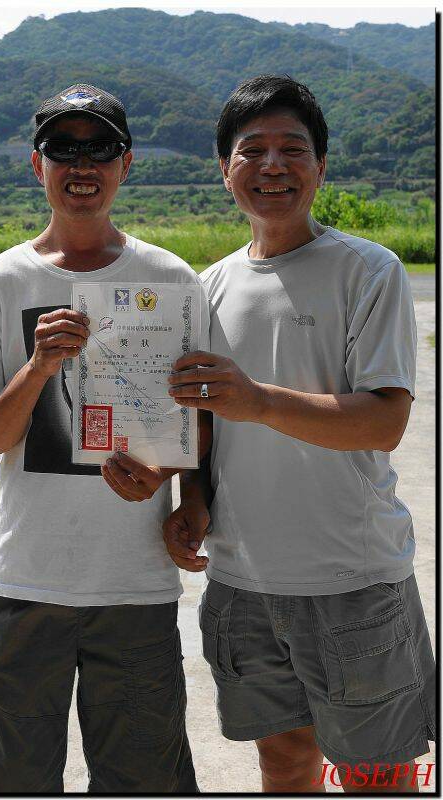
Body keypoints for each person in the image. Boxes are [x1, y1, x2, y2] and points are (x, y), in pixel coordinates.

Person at [162, 75, 435, 793]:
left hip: (353, 579)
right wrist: (193, 498)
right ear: (225, 169)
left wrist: (258, 400)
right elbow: (202, 420)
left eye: (293, 148)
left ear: (321, 165)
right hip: (242, 582)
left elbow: (384, 420)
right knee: (283, 762)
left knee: (377, 775)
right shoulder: (209, 286)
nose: (273, 166)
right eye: (252, 150)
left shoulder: (368, 271)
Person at [0, 84, 207, 793]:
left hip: (136, 583)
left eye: (100, 148)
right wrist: (38, 367)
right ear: (37, 165)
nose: (82, 165)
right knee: (13, 778)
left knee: (144, 780)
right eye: (63, 148)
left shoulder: (170, 279)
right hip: (26, 580)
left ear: (126, 164)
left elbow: (197, 417)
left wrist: (174, 484)